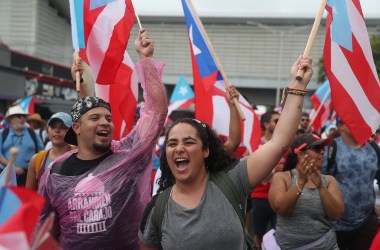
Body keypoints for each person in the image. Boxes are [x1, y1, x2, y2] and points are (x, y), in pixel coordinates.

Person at [139, 55, 313, 250]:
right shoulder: (157, 209)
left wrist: (297, 86)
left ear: (206, 151)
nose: (179, 148)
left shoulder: (233, 180)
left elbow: (278, 142)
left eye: (189, 142)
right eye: (172, 143)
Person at [37, 29, 168, 249]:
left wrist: (146, 60)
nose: (105, 122)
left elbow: (156, 112)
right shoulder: (56, 172)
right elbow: (43, 228)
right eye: (95, 118)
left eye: (108, 118)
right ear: (76, 128)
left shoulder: (128, 156)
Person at [266, 133, 344, 249]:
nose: (322, 152)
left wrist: (321, 187)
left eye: (322, 148)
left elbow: (336, 214)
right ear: (301, 154)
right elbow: (282, 209)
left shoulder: (329, 180)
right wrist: (301, 182)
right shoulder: (283, 178)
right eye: (317, 148)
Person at [321, 118, 380, 249]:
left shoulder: (373, 148)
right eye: (353, 121)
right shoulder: (330, 149)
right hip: (334, 224)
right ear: (341, 126)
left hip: (366, 221)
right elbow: (319, 183)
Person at [249, 111, 283, 246]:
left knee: (278, 236)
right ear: (266, 124)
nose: (280, 124)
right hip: (259, 197)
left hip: (278, 198)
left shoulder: (283, 145)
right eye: (276, 121)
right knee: (258, 236)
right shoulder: (254, 144)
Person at [25, 112, 75, 190]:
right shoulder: (37, 159)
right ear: (48, 130)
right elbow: (29, 194)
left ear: (71, 131)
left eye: (62, 127)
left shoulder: (80, 155)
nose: (57, 130)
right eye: (53, 127)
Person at [0, 105, 44, 185]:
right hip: (5, 175)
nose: (22, 119)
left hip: (28, 175)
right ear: (11, 119)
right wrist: (12, 168)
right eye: (18, 116)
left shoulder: (33, 133)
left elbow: (42, 153)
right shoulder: (2, 133)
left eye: (24, 116)